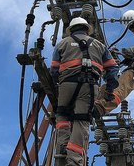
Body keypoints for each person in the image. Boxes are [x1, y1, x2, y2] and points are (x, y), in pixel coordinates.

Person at [50, 17, 119, 166]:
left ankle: (62, 150)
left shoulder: (62, 43)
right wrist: (109, 88)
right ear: (87, 29)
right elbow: (113, 69)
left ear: (71, 30)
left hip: (66, 85)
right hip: (89, 86)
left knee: (62, 116)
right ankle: (74, 161)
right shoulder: (99, 45)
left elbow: (54, 70)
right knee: (81, 120)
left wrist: (59, 86)